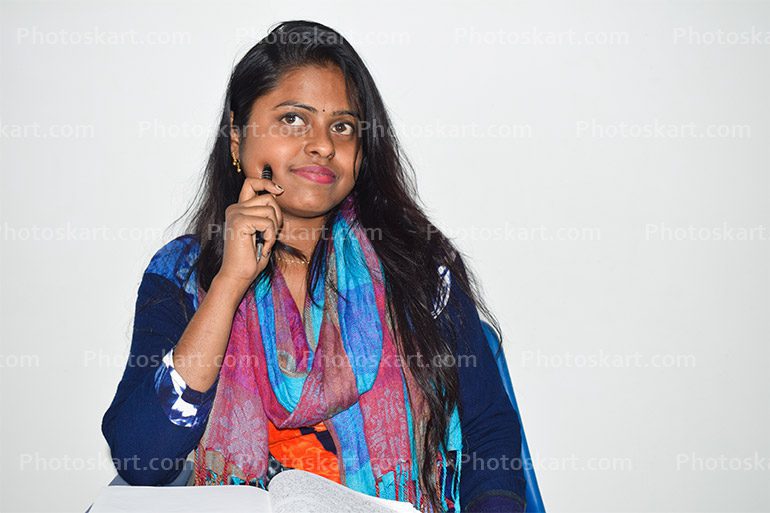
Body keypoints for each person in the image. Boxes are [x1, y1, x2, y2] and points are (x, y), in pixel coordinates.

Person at [101, 20, 527, 513]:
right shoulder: (181, 277)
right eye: (293, 120)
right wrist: (229, 283)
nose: (322, 144)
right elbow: (139, 458)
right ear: (238, 139)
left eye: (342, 126)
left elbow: (488, 434)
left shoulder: (419, 268)